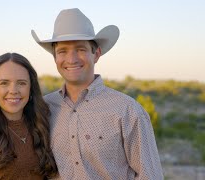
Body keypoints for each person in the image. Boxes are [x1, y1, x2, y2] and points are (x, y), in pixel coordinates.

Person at [31, 8, 164, 179]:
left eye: (80, 49)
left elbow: (150, 176)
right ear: (55, 57)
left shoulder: (127, 111)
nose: (71, 59)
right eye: (63, 51)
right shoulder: (43, 108)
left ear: (97, 54)